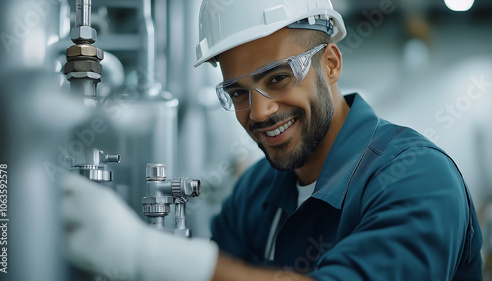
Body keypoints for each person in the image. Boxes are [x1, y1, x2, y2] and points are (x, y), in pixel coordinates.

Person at [61, 0, 483, 280]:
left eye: (278, 78)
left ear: (331, 64)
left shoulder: (418, 179)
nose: (260, 112)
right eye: (238, 93)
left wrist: (146, 254)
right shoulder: (256, 191)